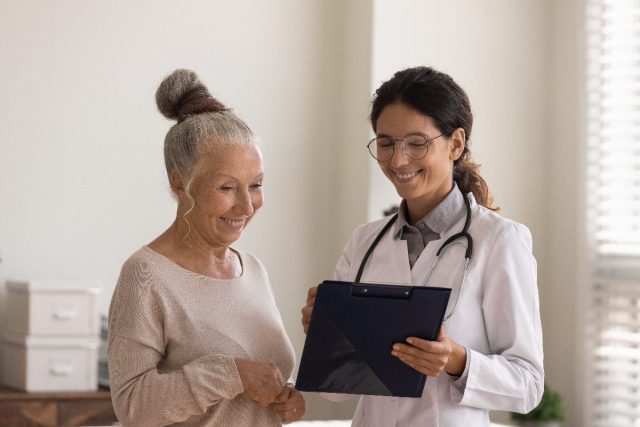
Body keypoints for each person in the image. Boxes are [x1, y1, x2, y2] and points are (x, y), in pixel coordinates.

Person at [301, 66, 544, 426]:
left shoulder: (500, 241)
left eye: (417, 143)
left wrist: (457, 361)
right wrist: (325, 334)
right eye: (386, 143)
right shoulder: (365, 241)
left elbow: (528, 385)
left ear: (456, 144)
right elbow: (334, 391)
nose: (398, 161)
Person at [108, 69, 305, 426]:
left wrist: (284, 395)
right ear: (180, 183)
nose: (247, 206)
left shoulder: (254, 270)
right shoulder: (146, 275)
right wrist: (229, 375)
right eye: (227, 188)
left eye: (256, 185)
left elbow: (257, 378)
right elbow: (132, 406)